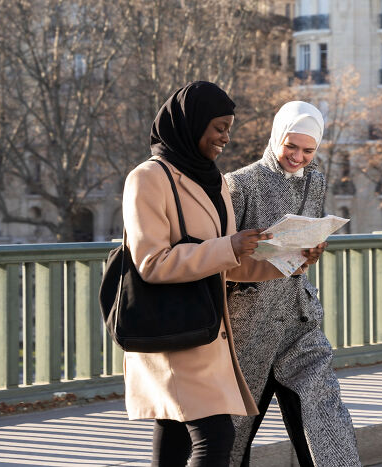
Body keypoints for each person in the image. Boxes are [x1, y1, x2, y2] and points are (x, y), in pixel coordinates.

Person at [121, 83, 326, 467]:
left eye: (229, 127)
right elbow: (151, 262)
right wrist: (229, 246)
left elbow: (232, 263)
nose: (226, 137)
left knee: (176, 439)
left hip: (209, 328)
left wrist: (292, 262)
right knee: (216, 438)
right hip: (173, 326)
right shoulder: (147, 178)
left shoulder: (212, 180)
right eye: (218, 127)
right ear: (191, 123)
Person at [225, 101, 362, 467]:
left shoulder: (315, 180)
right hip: (249, 327)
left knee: (327, 418)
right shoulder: (239, 184)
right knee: (232, 435)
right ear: (276, 137)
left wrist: (310, 254)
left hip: (300, 319)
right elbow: (222, 258)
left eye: (308, 150)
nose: (298, 157)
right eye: (291, 146)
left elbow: (305, 241)